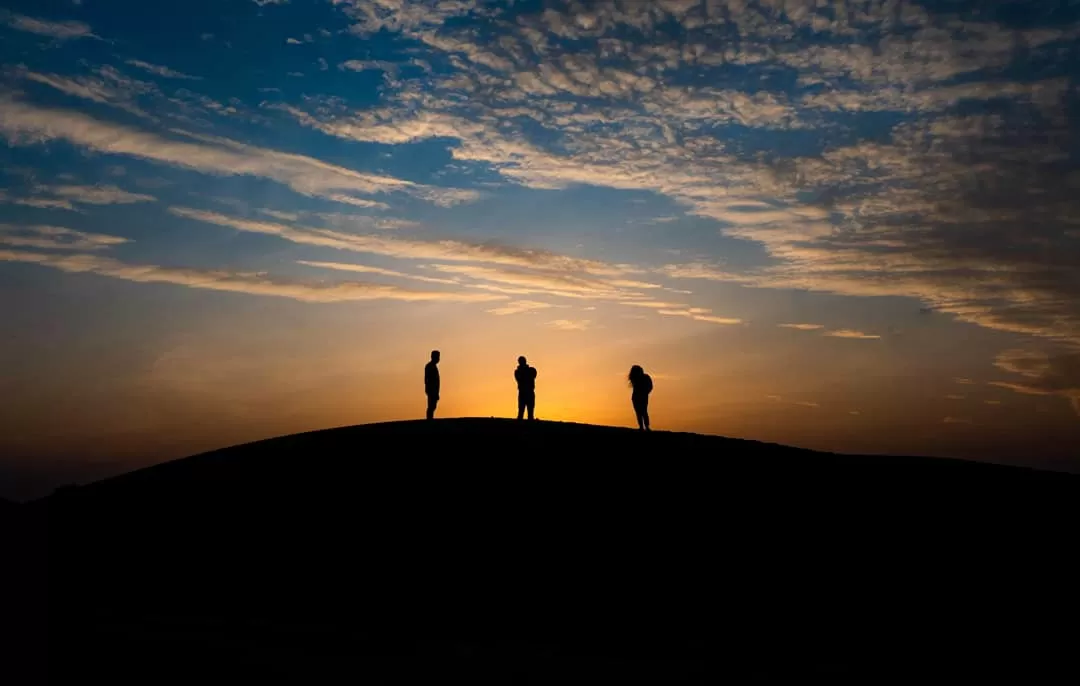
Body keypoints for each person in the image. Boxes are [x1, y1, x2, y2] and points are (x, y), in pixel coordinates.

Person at [628, 365, 653, 431]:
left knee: (642, 412)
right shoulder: (636, 378)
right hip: (637, 397)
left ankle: (645, 427)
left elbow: (650, 386)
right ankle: (643, 427)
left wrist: (646, 392)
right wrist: (646, 392)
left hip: (641, 397)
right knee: (640, 412)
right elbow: (650, 386)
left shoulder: (643, 377)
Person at [514, 355, 537, 420]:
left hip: (529, 393)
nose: (522, 362)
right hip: (522, 393)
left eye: (522, 361)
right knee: (521, 412)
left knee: (530, 413)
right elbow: (519, 379)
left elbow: (533, 375)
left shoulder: (531, 370)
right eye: (520, 361)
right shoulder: (517, 371)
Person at [424, 350, 440, 420]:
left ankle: (430, 418)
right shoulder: (429, 366)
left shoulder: (433, 366)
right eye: (437, 357)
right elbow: (427, 379)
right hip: (431, 390)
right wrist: (429, 389)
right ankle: (429, 419)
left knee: (433, 406)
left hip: (434, 390)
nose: (439, 359)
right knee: (431, 406)